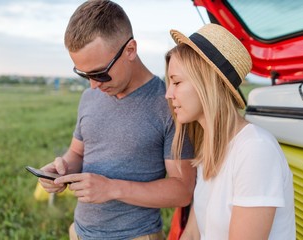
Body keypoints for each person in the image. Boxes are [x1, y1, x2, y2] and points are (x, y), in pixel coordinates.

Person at [38, 1, 196, 239]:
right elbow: (78, 153)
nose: (93, 85)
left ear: (130, 50)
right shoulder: (90, 96)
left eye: (100, 73)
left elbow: (182, 190)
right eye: (84, 75)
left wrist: (111, 188)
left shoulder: (170, 104)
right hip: (79, 232)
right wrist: (61, 170)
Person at [165, 23, 296, 240]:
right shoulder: (210, 147)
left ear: (207, 84)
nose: (169, 94)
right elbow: (194, 232)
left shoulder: (255, 150)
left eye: (176, 82)